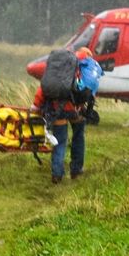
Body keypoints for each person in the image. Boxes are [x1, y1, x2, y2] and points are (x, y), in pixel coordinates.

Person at [33, 48, 87, 184]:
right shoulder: (76, 69)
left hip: (57, 109)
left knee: (60, 142)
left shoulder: (52, 73)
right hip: (75, 109)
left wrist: (36, 105)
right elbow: (81, 88)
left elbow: (42, 89)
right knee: (78, 136)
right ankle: (76, 169)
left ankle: (57, 174)